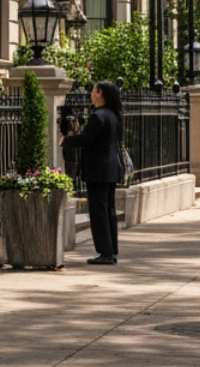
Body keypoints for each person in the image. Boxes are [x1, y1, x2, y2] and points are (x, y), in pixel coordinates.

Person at [59, 80, 124, 265]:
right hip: (111, 169)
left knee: (99, 212)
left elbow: (86, 139)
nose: (91, 94)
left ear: (101, 93)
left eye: (94, 91)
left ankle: (105, 252)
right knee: (108, 210)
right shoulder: (113, 115)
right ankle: (111, 250)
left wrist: (66, 140)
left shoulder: (98, 116)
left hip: (98, 170)